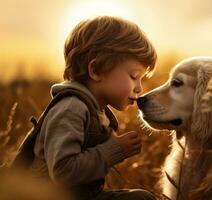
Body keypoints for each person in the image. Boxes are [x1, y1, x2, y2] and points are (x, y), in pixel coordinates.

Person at [29, 16, 157, 200]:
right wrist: (114, 149)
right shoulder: (71, 109)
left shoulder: (97, 111)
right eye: (134, 76)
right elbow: (63, 171)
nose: (139, 88)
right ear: (96, 70)